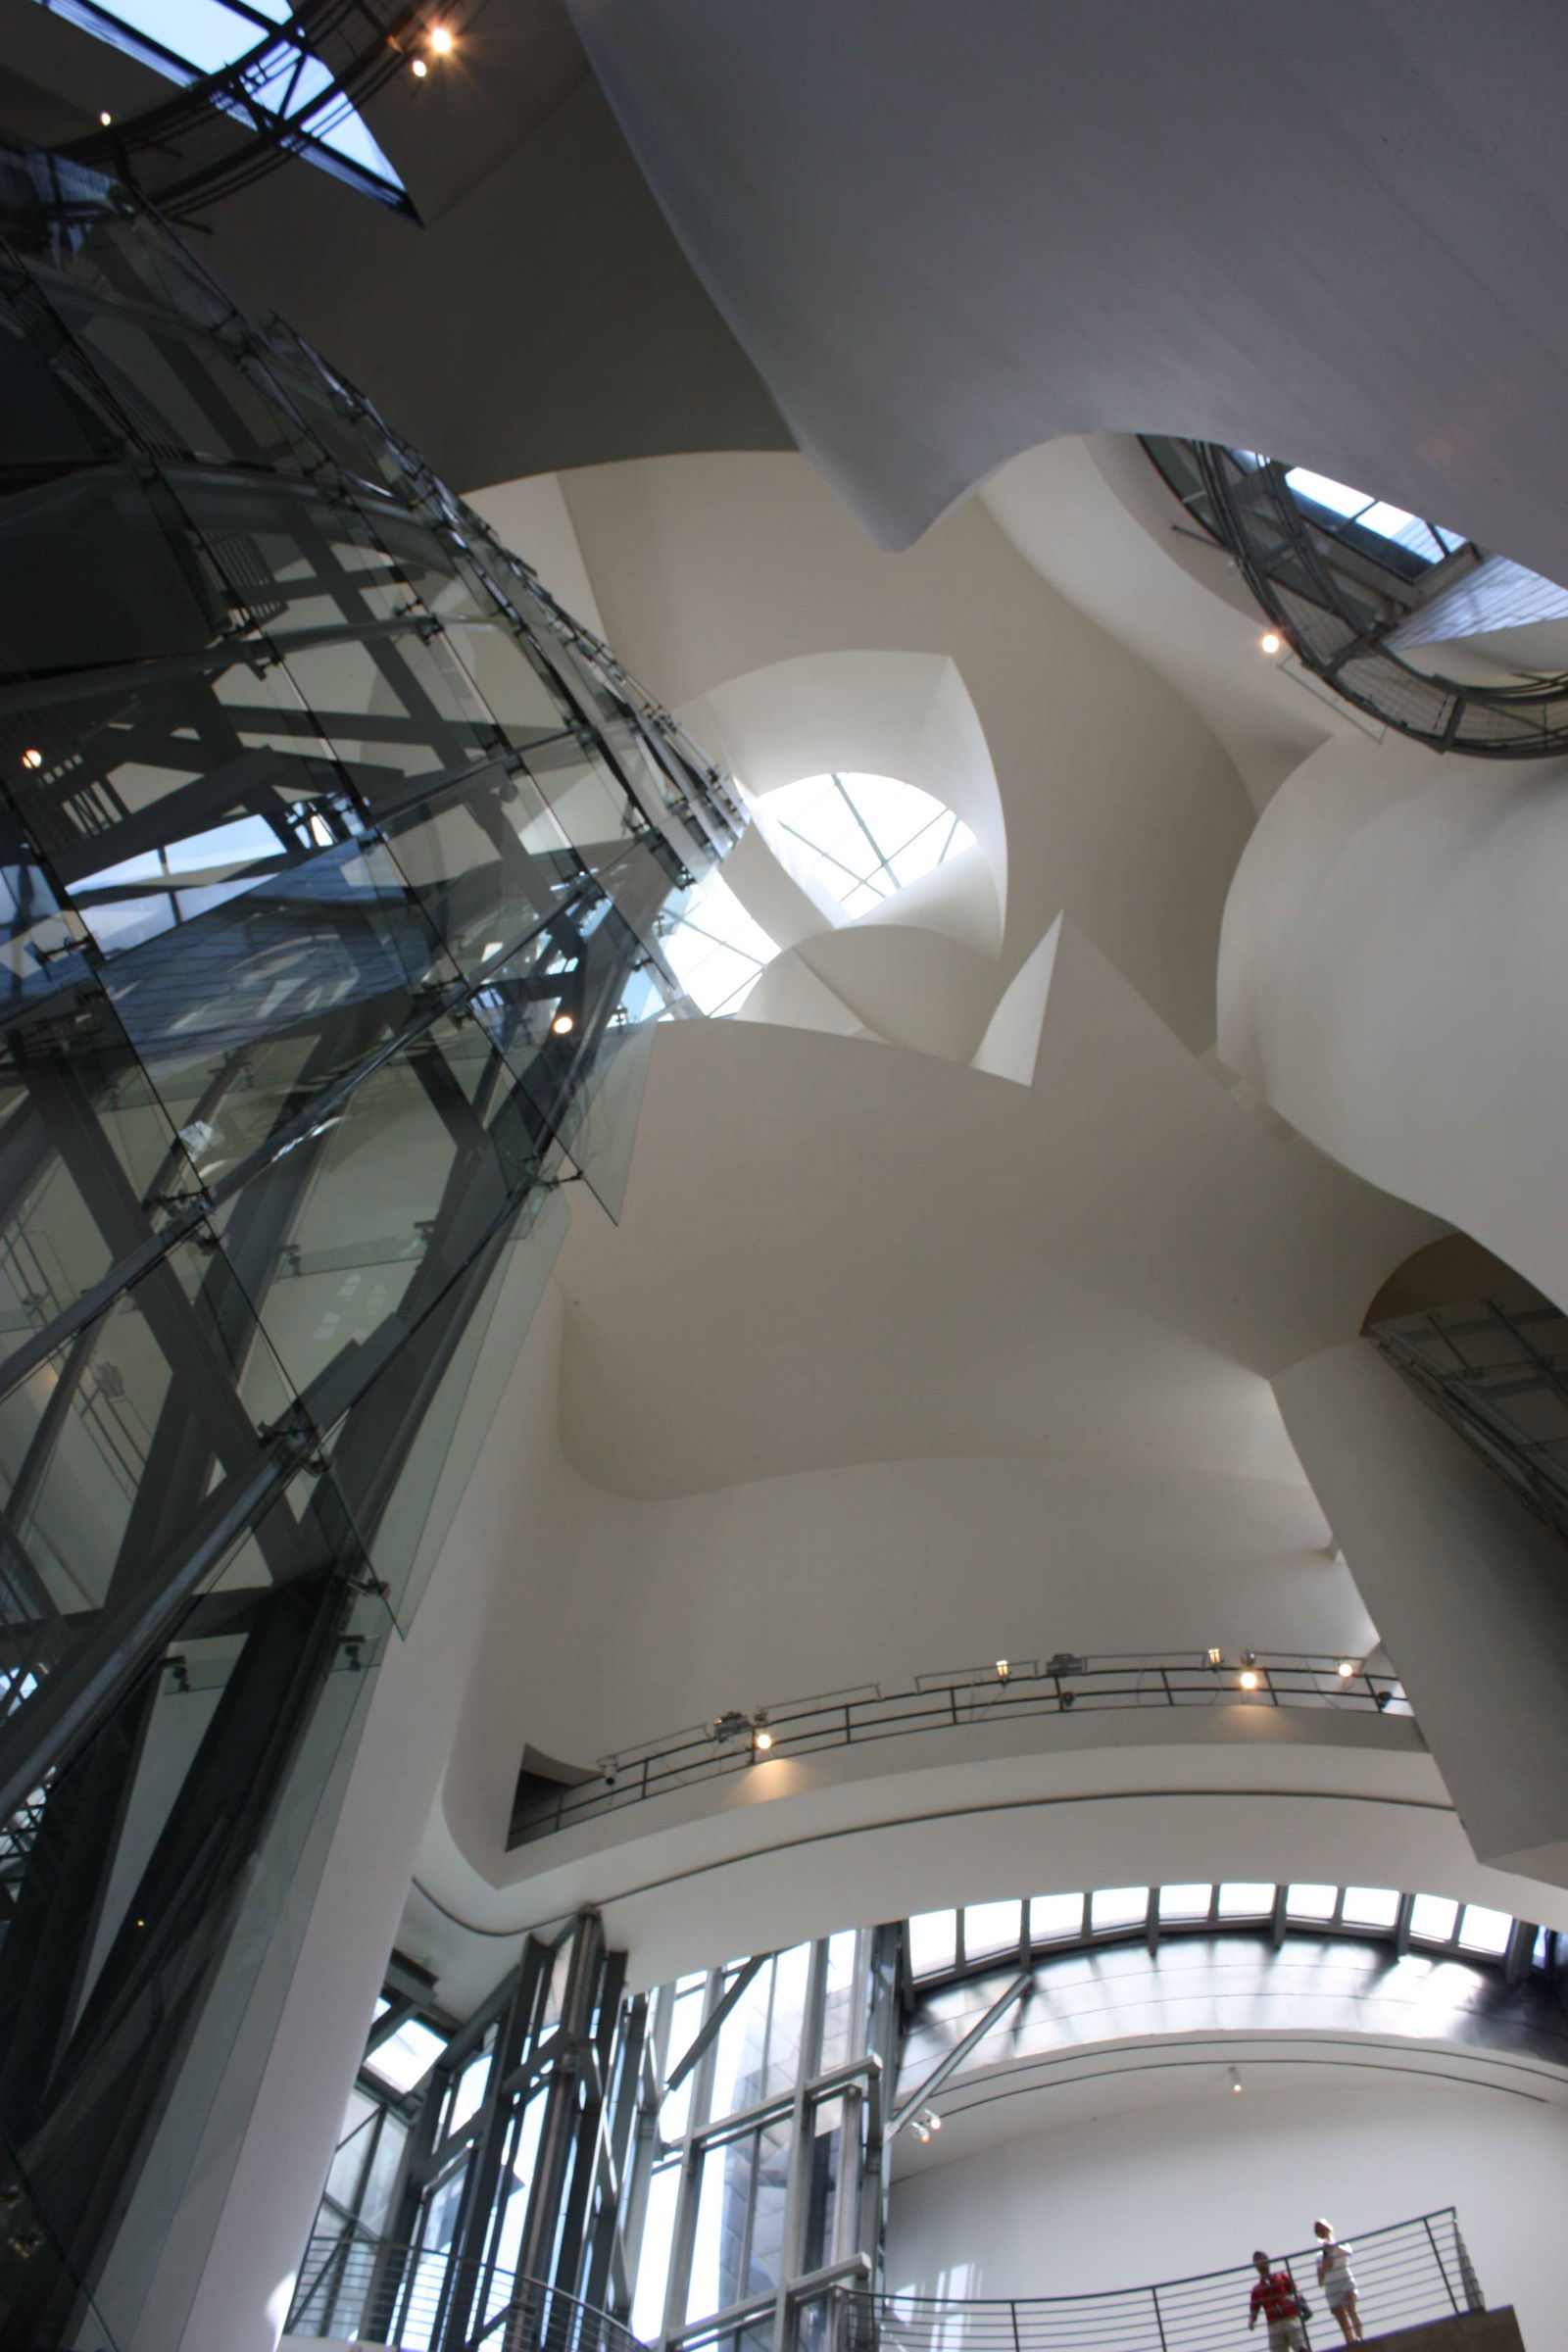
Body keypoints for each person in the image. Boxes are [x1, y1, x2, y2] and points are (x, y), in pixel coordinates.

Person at [1315, 2218, 1364, 2343]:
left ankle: (1360, 2338)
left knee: (1351, 2310)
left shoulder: (1343, 2245)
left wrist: (1333, 2247)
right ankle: (1351, 2343)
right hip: (1332, 2287)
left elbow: (1349, 2253)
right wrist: (1326, 2259)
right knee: (1342, 2319)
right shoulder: (1319, 2256)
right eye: (1319, 2230)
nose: (1322, 2231)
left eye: (1323, 2228)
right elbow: (1320, 2281)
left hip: (1345, 2281)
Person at [1248, 2250, 1307, 2351]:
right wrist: (1252, 2321)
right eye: (1257, 2261)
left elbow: (1297, 2292)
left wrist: (1293, 2300)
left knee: (1301, 2348)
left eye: (1262, 2259)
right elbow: (1254, 2309)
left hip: (1290, 2318)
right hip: (1273, 2324)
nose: (1260, 2263)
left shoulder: (1282, 2277)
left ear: (1267, 2260)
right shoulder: (1257, 2289)